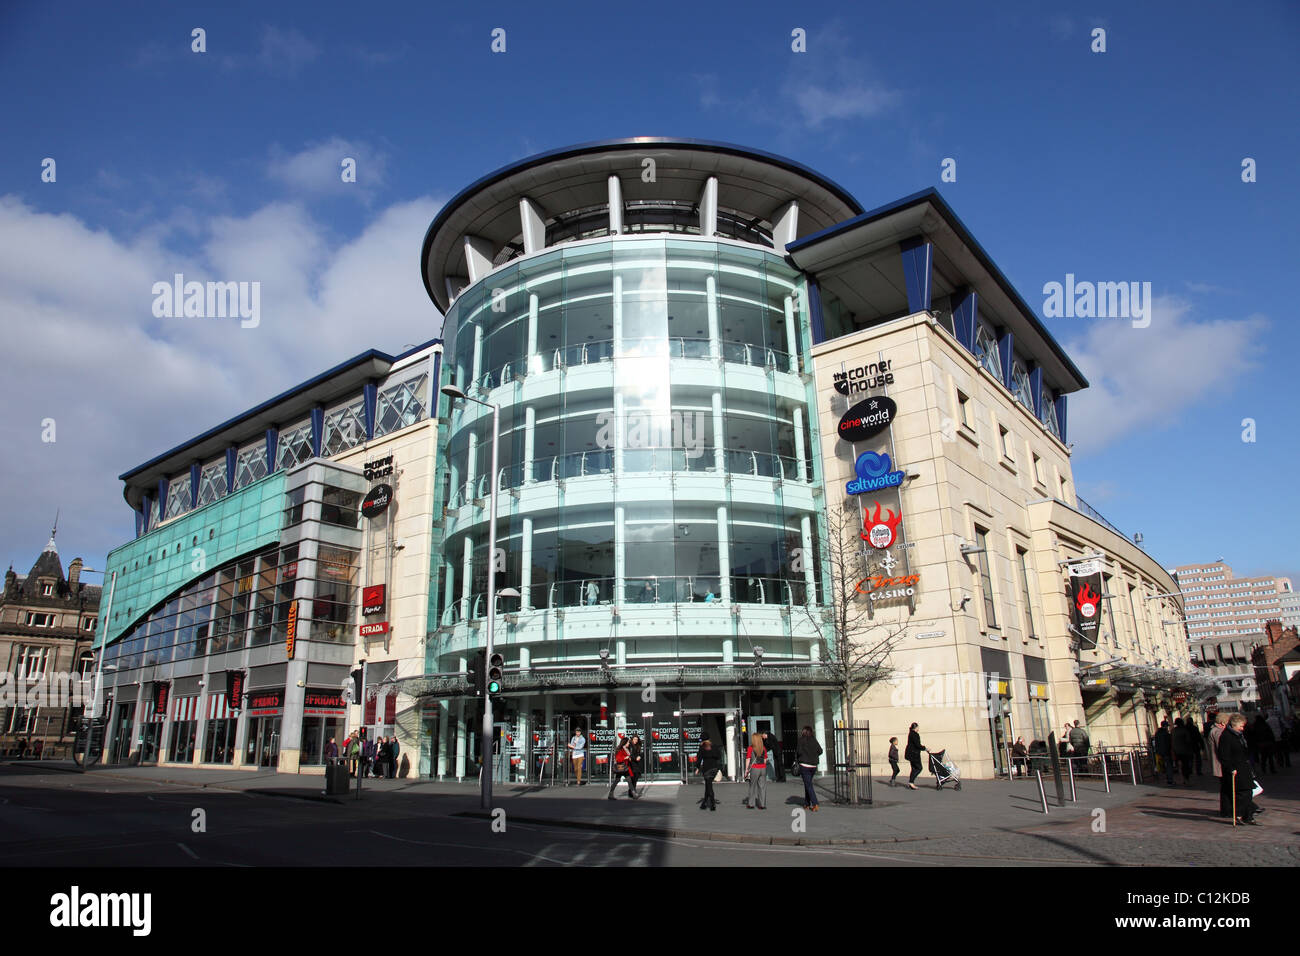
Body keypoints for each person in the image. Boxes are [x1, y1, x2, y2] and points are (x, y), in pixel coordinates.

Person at [1217, 713, 1260, 825]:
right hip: (1235, 769)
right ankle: (1239, 814)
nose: (1242, 728)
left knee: (1248, 791)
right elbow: (1223, 755)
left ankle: (1248, 816)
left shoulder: (1238, 735)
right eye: (1241, 726)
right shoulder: (1226, 736)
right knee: (1242, 793)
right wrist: (1230, 768)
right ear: (1234, 724)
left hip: (1244, 767)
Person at [1208, 712, 1230, 817]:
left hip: (1220, 763)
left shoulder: (1215, 730)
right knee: (1226, 787)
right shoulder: (1218, 732)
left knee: (1225, 787)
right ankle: (1226, 810)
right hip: (1221, 764)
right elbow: (1222, 749)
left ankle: (1226, 809)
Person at [796, 726, 822, 810]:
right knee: (808, 784)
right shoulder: (814, 740)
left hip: (804, 765)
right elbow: (820, 751)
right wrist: (813, 755)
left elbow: (799, 752)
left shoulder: (801, 740)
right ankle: (807, 803)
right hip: (813, 765)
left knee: (808, 785)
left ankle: (815, 803)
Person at [695, 738, 722, 810]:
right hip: (714, 769)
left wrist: (697, 768)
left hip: (707, 769)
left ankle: (712, 804)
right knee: (708, 785)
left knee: (709, 786)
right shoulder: (714, 746)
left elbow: (699, 759)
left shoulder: (702, 748)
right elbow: (719, 756)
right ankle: (704, 804)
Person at [744, 732, 768, 810]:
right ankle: (762, 805)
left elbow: (748, 759)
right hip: (763, 768)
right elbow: (765, 759)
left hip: (755, 768)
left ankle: (751, 804)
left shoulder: (750, 748)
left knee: (752, 786)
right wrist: (763, 766)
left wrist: (746, 770)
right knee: (762, 787)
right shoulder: (763, 748)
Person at [1171, 718, 1194, 786]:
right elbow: (1188, 740)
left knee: (1179, 765)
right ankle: (1186, 779)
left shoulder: (1173, 731)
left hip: (1176, 751)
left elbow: (1171, 740)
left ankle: (1182, 779)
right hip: (1184, 750)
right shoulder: (1184, 730)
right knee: (1185, 765)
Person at [904, 723, 925, 790]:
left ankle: (911, 782)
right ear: (915, 728)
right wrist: (925, 748)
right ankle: (911, 782)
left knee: (913, 768)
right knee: (919, 768)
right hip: (914, 754)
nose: (918, 729)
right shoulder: (915, 734)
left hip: (910, 754)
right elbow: (917, 745)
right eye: (918, 727)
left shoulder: (910, 733)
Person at [1153, 720, 1173, 785]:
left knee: (1162, 765)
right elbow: (1169, 743)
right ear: (1166, 726)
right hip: (1166, 752)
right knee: (1168, 765)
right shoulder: (1166, 734)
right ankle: (1170, 780)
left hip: (1159, 752)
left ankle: (1164, 777)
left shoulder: (1157, 733)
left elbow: (1156, 743)